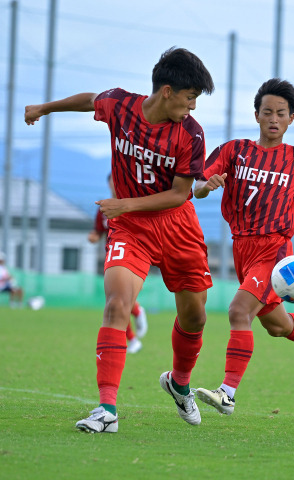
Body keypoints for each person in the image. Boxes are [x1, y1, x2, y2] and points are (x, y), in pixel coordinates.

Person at [25, 47, 215, 433]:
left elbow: (181, 194)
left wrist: (125, 203)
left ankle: (179, 384)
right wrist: (45, 107)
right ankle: (106, 409)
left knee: (194, 317)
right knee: (117, 304)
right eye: (190, 96)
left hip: (178, 228)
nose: (193, 106)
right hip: (132, 230)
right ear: (167, 91)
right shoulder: (120, 106)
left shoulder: (190, 134)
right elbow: (89, 100)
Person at [193, 78, 294, 415]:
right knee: (278, 326)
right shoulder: (234, 150)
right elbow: (197, 186)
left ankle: (228, 393)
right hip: (242, 248)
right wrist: (208, 186)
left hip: (275, 250)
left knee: (239, 311)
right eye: (267, 112)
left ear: (291, 118)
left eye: (281, 113)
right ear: (256, 115)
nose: (274, 119)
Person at [89, 173, 148, 354]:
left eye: (117, 180)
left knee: (118, 301)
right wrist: (94, 236)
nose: (114, 185)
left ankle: (134, 333)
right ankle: (136, 320)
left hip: (132, 255)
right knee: (117, 302)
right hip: (112, 256)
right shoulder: (104, 207)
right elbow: (98, 231)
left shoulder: (132, 204)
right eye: (111, 181)